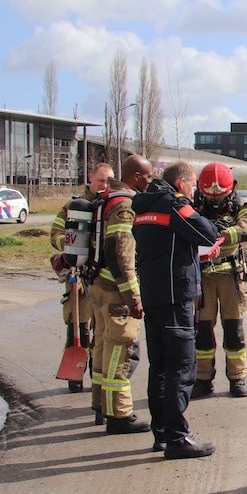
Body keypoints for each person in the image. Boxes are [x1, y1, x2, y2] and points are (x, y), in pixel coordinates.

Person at [132, 161, 221, 459]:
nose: (194, 190)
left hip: (154, 295)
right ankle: (178, 437)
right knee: (181, 367)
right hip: (176, 296)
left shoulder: (144, 206)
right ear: (182, 182)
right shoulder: (174, 204)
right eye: (193, 185)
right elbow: (207, 233)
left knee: (159, 367)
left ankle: (162, 431)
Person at [86, 155, 153, 435]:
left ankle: (101, 405)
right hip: (115, 291)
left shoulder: (105, 198)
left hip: (98, 285)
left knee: (102, 348)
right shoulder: (125, 204)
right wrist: (133, 296)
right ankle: (119, 415)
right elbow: (121, 251)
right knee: (121, 351)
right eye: (147, 176)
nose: (150, 182)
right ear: (136, 176)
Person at [191, 162, 247, 399]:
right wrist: (211, 231)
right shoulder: (192, 204)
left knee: (234, 331)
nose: (215, 201)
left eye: (219, 196)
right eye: (210, 196)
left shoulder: (242, 204)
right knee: (202, 333)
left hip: (230, 276)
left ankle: (237, 378)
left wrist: (220, 234)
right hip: (203, 277)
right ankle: (202, 379)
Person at [50, 163, 114, 393]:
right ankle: (75, 376)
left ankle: (97, 375)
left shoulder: (111, 206)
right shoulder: (73, 206)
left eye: (108, 181)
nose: (104, 185)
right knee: (78, 327)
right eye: (101, 180)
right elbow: (55, 234)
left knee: (102, 329)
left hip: (102, 277)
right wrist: (71, 247)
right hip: (78, 276)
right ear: (90, 178)